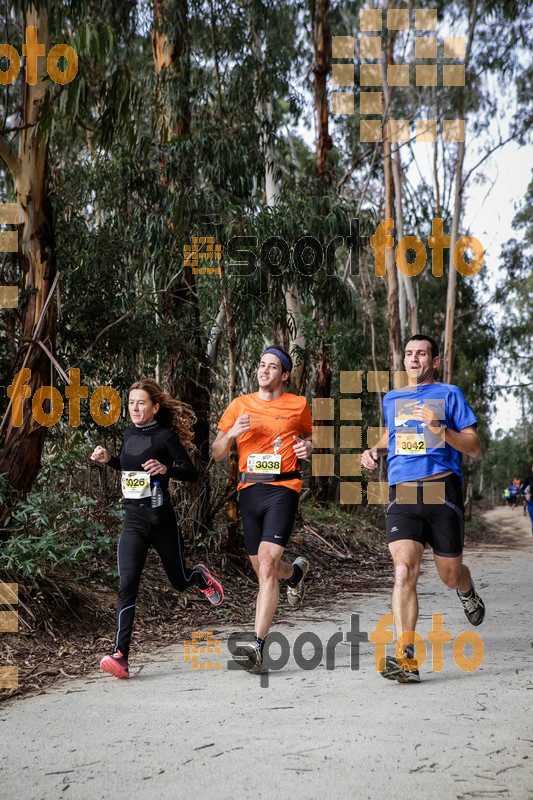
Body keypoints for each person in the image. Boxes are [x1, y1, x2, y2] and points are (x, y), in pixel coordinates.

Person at [361, 335, 485, 684]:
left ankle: (466, 588)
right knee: (403, 572)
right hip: (403, 492)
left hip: (441, 490)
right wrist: (375, 451)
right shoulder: (393, 398)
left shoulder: (450, 394)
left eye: (422, 354)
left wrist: (440, 428)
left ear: (434, 361)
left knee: (449, 575)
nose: (414, 359)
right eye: (410, 354)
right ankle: (406, 656)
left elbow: (474, 446)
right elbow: (393, 435)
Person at [91, 378, 223, 679]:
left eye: (141, 402)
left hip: (161, 521)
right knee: (127, 585)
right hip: (133, 522)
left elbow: (190, 472)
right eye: (131, 402)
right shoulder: (127, 434)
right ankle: (121, 655)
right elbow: (128, 467)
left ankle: (199, 576)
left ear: (155, 407)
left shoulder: (165, 437)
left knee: (178, 581)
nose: (135, 408)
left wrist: (167, 469)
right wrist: (109, 459)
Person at [212, 346, 313, 675]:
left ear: (284, 374)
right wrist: (231, 435)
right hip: (249, 491)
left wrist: (307, 447)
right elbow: (215, 452)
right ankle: (295, 574)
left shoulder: (298, 405)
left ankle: (257, 646)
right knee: (265, 570)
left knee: (267, 564)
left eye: (272, 366)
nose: (264, 370)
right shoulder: (240, 405)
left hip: (283, 488)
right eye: (261, 364)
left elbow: (311, 439)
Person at [521, 464, 533, 533]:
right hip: (531, 502)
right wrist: (525, 495)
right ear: (531, 469)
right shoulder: (529, 478)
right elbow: (522, 489)